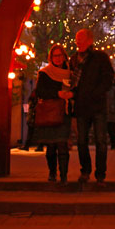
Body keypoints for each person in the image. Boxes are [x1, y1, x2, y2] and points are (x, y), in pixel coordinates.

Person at [71, 28, 115, 184]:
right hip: (81, 107)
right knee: (82, 141)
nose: (78, 41)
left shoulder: (100, 58)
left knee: (101, 141)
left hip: (97, 106)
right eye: (77, 38)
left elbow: (108, 78)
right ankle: (85, 170)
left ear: (90, 40)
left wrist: (96, 93)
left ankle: (100, 173)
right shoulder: (74, 59)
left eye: (81, 38)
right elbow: (71, 82)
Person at [33, 44, 74, 183]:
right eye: (55, 55)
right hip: (49, 112)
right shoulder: (45, 73)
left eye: (60, 55)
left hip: (64, 112)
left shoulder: (70, 72)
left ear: (64, 56)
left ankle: (63, 175)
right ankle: (52, 172)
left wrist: (70, 95)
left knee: (63, 145)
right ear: (51, 57)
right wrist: (57, 94)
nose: (58, 58)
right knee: (51, 146)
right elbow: (40, 92)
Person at [105, 84, 115, 149]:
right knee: (105, 130)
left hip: (112, 112)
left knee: (111, 130)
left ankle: (113, 143)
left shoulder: (114, 90)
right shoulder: (102, 89)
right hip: (104, 112)